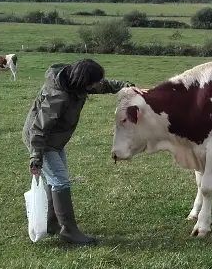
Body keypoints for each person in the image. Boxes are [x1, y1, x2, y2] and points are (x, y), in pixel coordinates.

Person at [22, 58, 135, 245]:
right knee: (60, 180)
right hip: (43, 140)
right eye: (94, 81)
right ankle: (69, 230)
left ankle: (52, 223)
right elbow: (39, 128)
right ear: (83, 81)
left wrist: (124, 86)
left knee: (56, 179)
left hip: (55, 140)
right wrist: (36, 157)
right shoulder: (58, 96)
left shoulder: (77, 84)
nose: (98, 85)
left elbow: (102, 85)